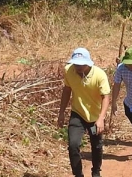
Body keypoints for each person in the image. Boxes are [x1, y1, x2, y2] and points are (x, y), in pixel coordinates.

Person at [57, 47, 111, 177]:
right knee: (73, 145)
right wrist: (62, 112)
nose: (78, 67)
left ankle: (96, 172)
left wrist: (101, 118)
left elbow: (106, 97)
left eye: (81, 64)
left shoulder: (99, 75)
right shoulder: (69, 71)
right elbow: (67, 90)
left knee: (96, 145)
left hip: (95, 116)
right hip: (78, 113)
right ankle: (78, 174)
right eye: (76, 64)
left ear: (88, 63)